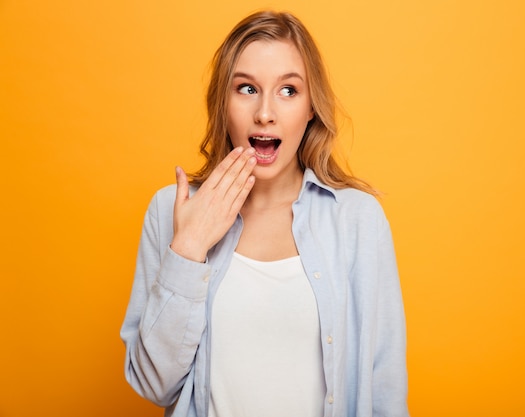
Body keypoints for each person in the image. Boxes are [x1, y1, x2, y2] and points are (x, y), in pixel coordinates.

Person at [120, 10, 409, 417]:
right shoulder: (172, 209)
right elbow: (153, 384)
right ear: (223, 103)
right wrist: (189, 246)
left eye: (289, 90)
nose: (265, 113)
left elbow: (385, 390)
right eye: (246, 88)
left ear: (311, 107)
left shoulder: (358, 220)